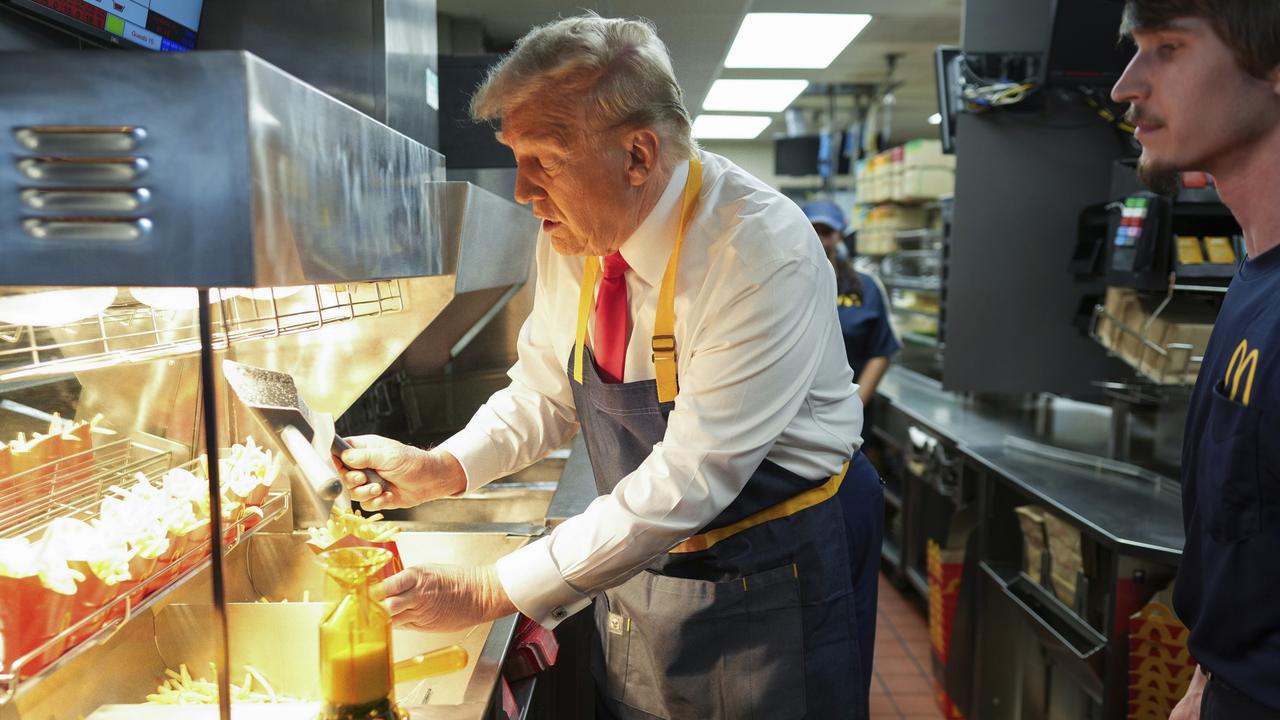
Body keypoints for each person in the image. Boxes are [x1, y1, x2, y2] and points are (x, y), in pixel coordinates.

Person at [336, 13, 884, 720]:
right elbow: (542, 390)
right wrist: (444, 467)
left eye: (547, 160)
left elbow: (694, 474)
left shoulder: (756, 249)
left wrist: (490, 590)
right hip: (648, 548)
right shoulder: (578, 232)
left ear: (638, 155)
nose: (523, 192)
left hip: (776, 558)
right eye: (516, 157)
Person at [1111, 1, 1280, 718]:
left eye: (1169, 48)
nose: (1125, 84)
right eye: (1136, 47)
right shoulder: (1255, 279)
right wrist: (1209, 677)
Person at [801, 200, 901, 406]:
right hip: (793, 417)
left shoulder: (866, 287)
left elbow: (880, 351)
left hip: (849, 415)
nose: (819, 240)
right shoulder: (787, 284)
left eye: (826, 232)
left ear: (840, 236)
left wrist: (854, 409)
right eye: (813, 231)